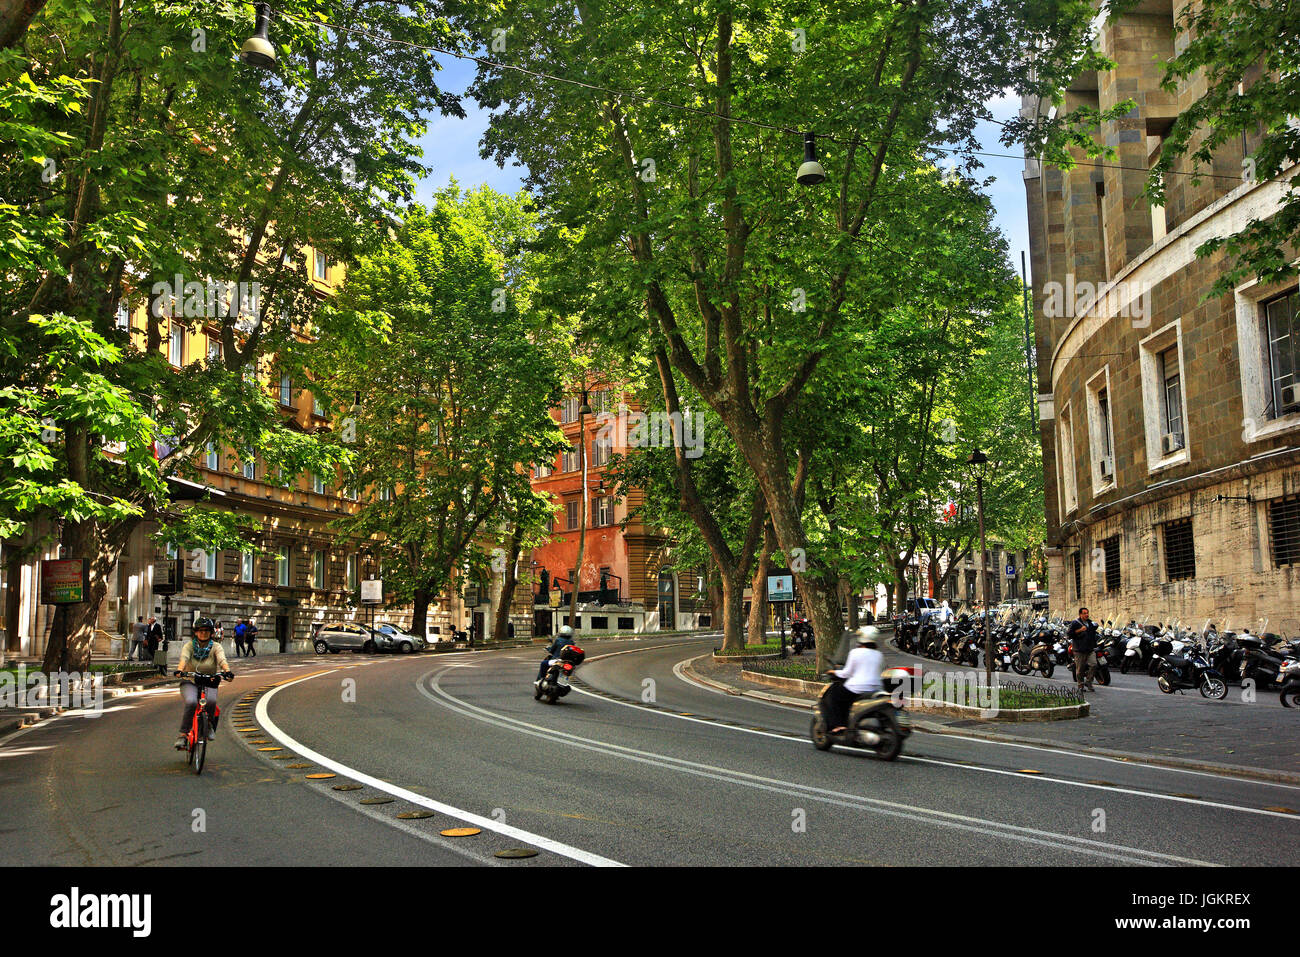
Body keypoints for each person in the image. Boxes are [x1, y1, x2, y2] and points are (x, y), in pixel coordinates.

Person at [173, 617, 233, 750]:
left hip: (209, 681)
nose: (203, 633)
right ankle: (183, 735)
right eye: (200, 630)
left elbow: (222, 660)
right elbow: (184, 658)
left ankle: (210, 726)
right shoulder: (189, 645)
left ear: (211, 632)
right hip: (190, 680)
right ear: (195, 632)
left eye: (206, 630)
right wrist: (180, 669)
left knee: (211, 701)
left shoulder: (216, 646)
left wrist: (227, 671)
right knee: (191, 702)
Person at [827, 626, 884, 733]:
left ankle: (839, 725)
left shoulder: (855, 652)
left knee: (834, 694)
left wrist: (833, 672)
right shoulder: (879, 655)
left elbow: (846, 673)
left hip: (857, 688)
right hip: (876, 689)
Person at [1068, 606, 1099, 692]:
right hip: (1079, 649)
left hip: (1090, 648)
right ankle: (1080, 684)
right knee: (1080, 669)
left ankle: (1088, 681)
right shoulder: (1075, 623)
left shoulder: (1090, 623)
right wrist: (1079, 630)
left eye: (1087, 613)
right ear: (1080, 614)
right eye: (1084, 613)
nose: (1086, 615)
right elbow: (1069, 634)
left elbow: (1093, 633)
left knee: (1094, 664)